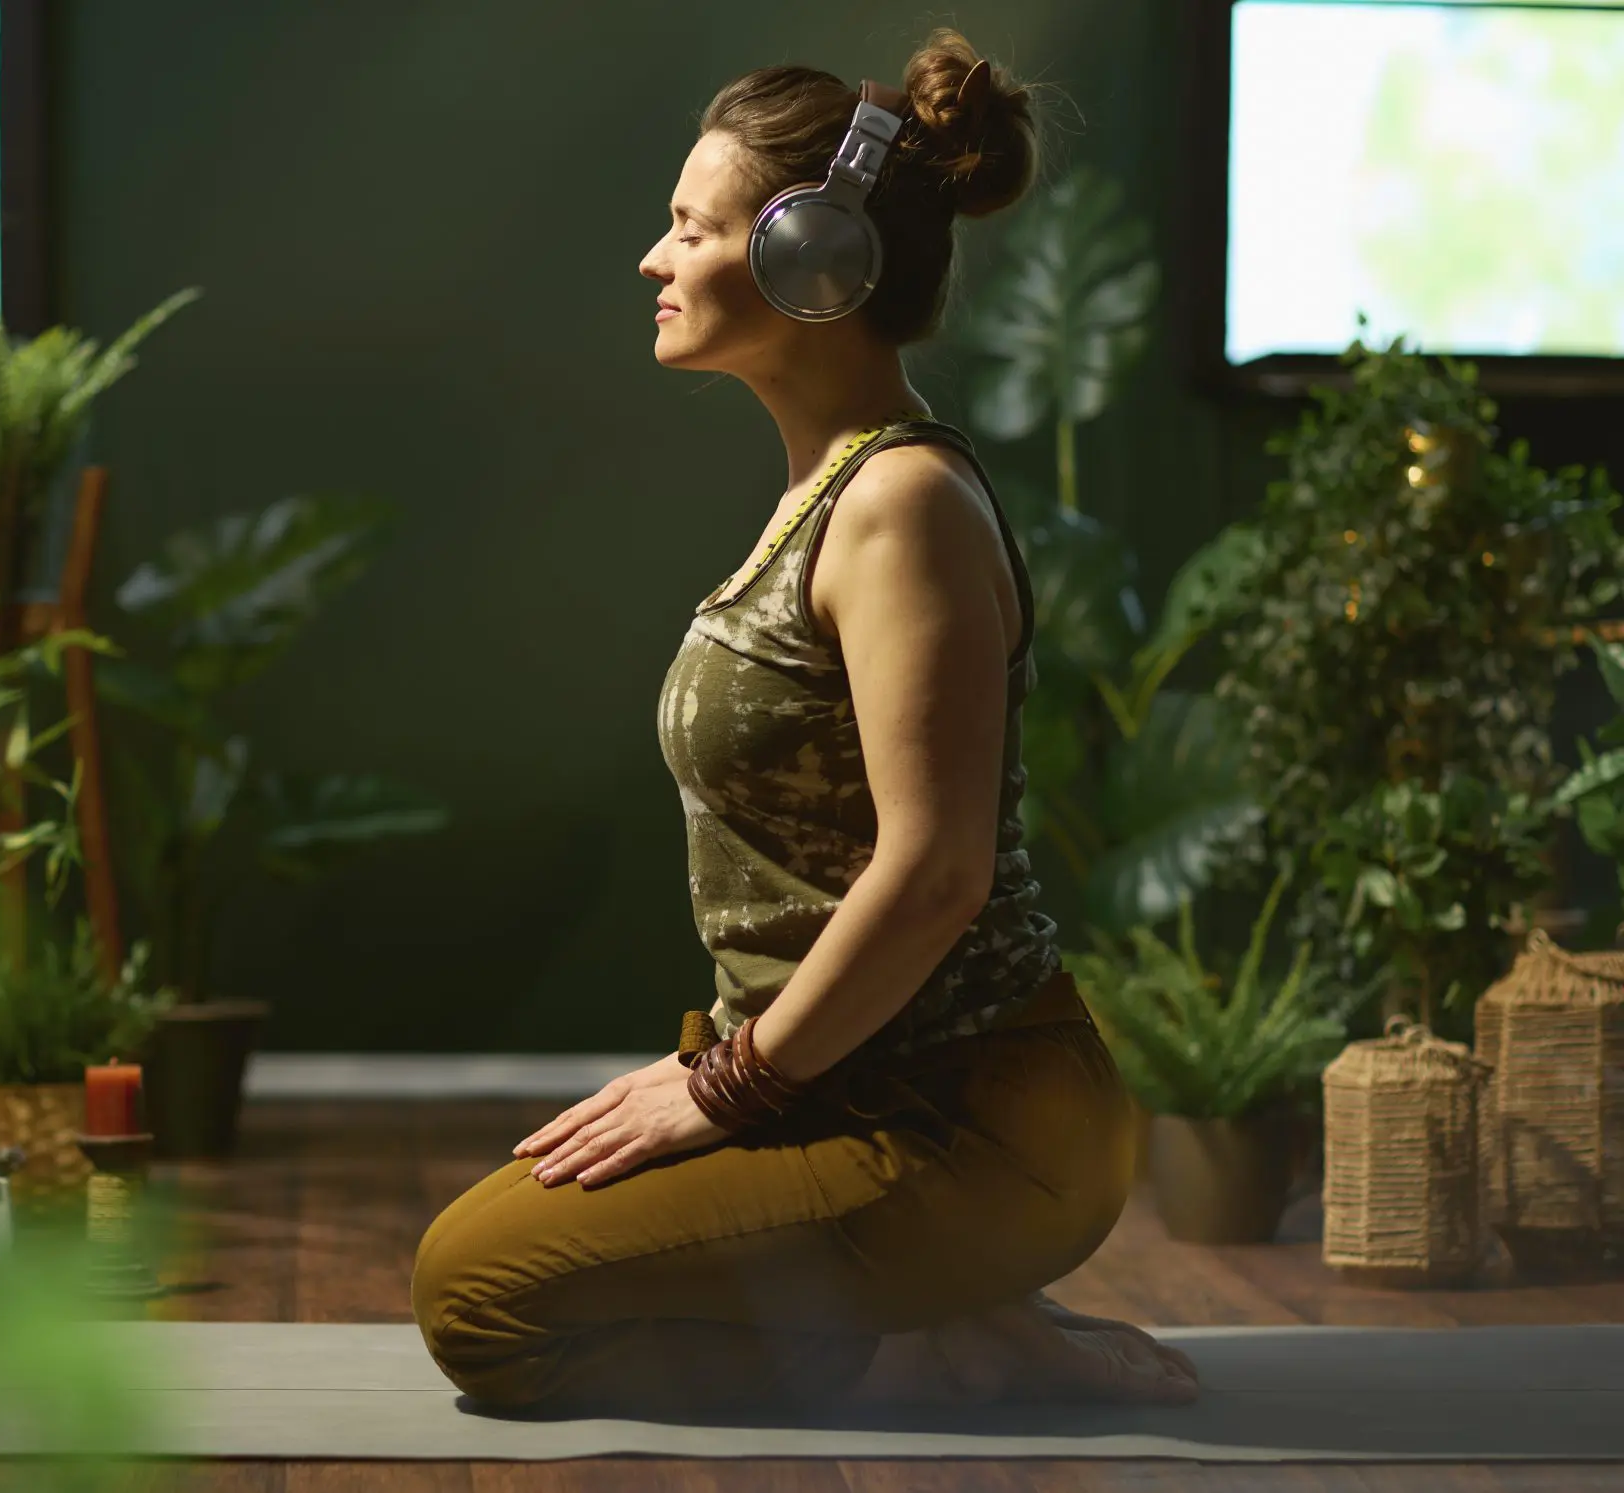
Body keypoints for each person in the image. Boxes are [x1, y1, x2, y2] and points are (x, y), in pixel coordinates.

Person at [410, 30, 1202, 1417]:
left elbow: (938, 871)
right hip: (836, 1089)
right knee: (480, 1268)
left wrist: (721, 1094)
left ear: (813, 259)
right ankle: (947, 1319)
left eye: (689, 227)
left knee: (474, 1303)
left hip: (971, 1123)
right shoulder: (828, 496)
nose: (654, 261)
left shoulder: (899, 509)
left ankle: (935, 1332)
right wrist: (721, 1075)